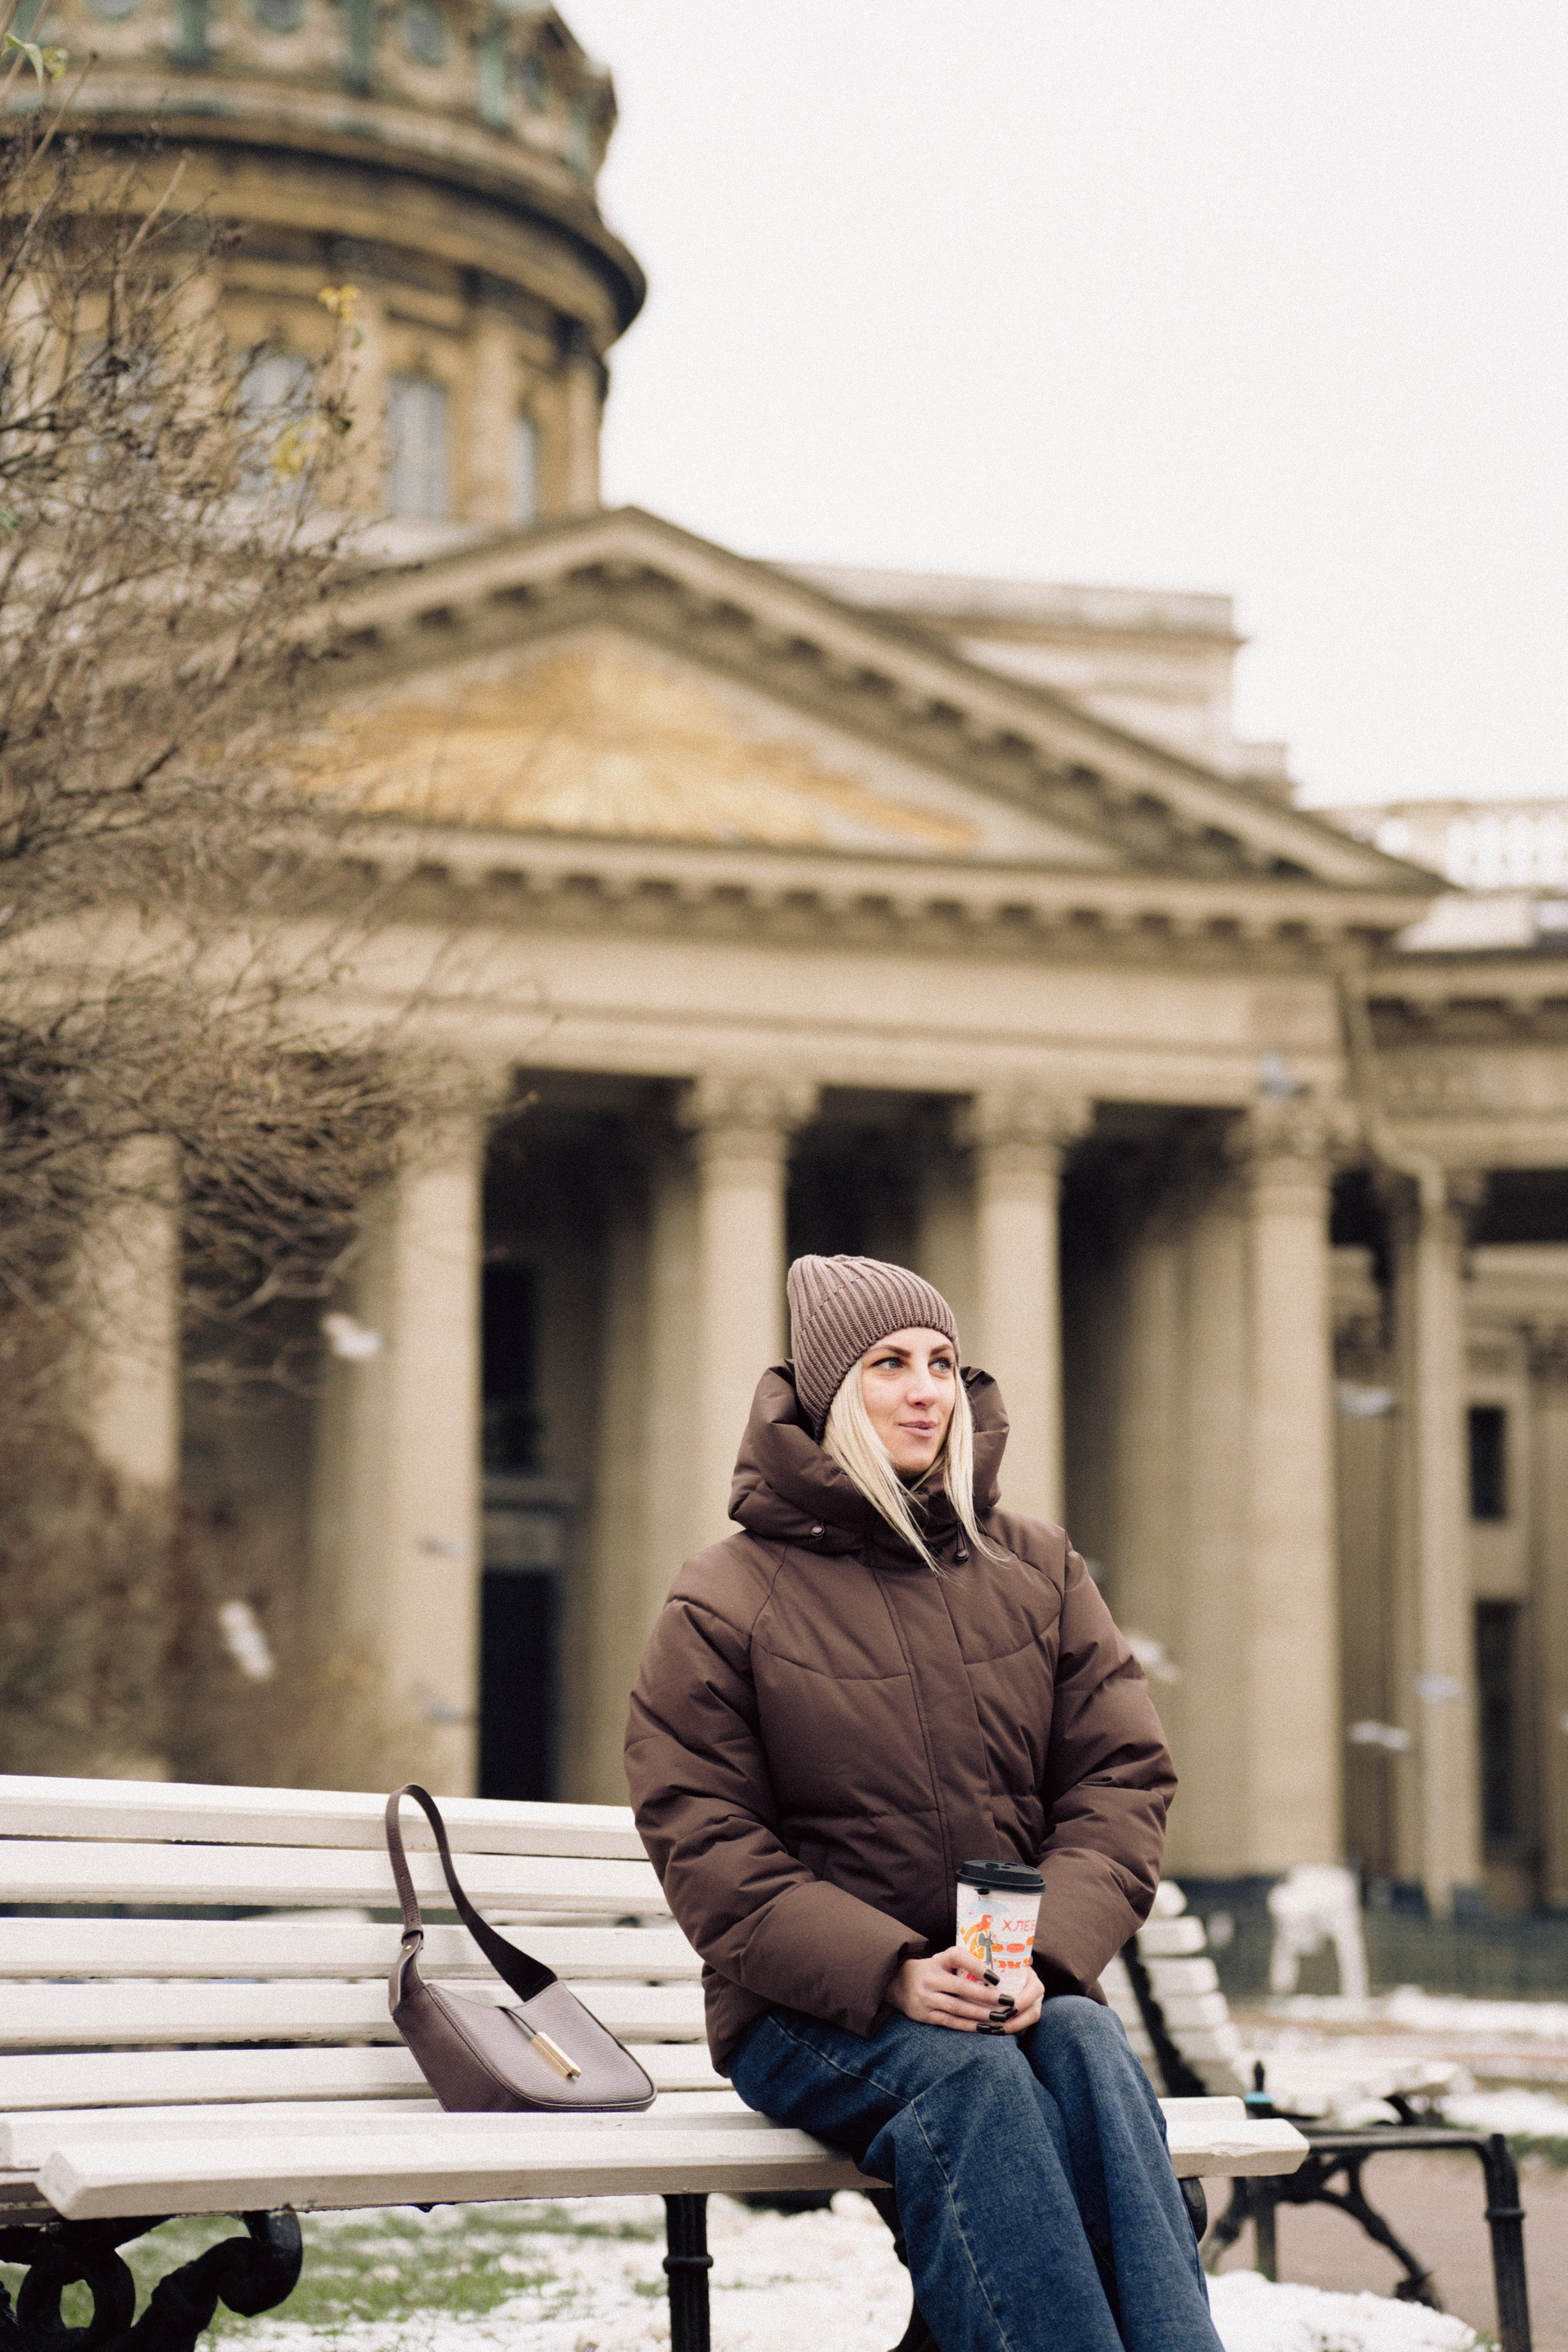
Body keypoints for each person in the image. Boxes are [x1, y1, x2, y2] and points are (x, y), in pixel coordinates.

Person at [626, 1253, 1222, 2352]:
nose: (925, 1391)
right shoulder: (725, 1595)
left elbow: (1120, 1780)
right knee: (976, 2084)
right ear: (828, 1394)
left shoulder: (1038, 1568)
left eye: (943, 1362)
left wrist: (1043, 1962)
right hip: (812, 2013)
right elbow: (706, 1840)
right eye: (889, 1364)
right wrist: (892, 1969)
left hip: (1010, 1989)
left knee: (1088, 2044)